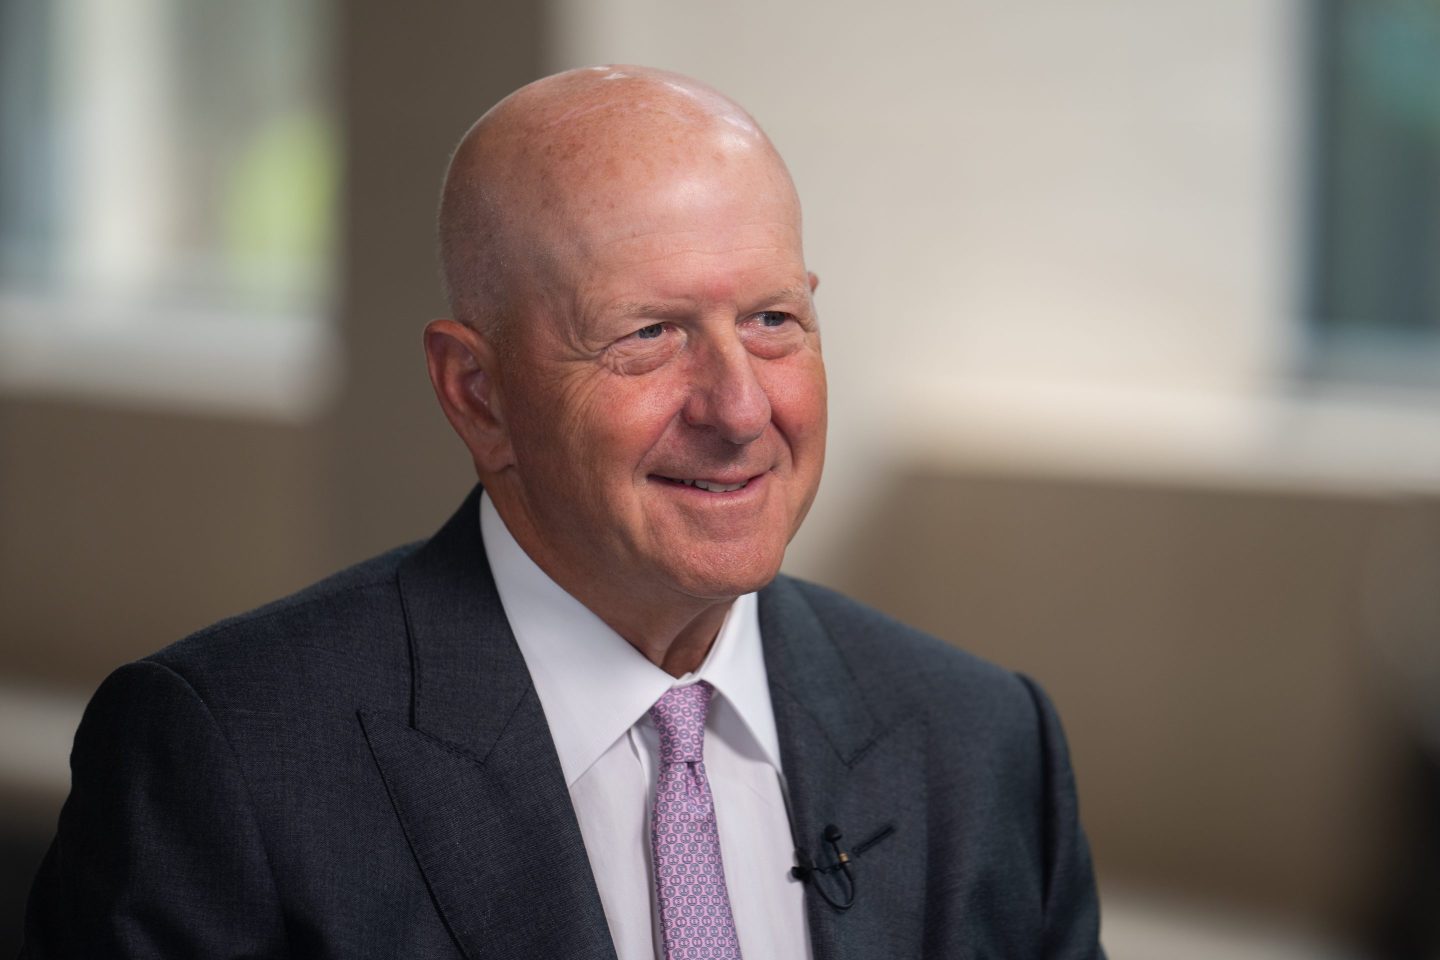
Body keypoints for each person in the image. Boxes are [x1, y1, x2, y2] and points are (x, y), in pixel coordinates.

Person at [23, 66, 1104, 959]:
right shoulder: (228, 759)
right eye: (648, 335)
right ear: (478, 394)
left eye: (774, 318)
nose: (739, 407)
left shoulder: (985, 740)